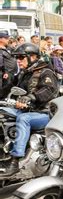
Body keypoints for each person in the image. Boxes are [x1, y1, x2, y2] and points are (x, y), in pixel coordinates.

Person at [0, 43, 58, 176]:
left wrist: (31, 97)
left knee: (23, 119)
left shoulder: (46, 72)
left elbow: (49, 90)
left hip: (43, 113)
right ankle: (4, 150)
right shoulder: (25, 73)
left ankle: (15, 160)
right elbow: (10, 87)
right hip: (25, 110)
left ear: (33, 57)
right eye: (17, 58)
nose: (18, 61)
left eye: (21, 57)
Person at [0, 33, 18, 98]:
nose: (8, 40)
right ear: (1, 39)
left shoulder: (8, 48)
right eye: (6, 38)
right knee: (3, 91)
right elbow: (1, 63)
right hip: (4, 75)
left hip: (11, 74)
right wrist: (5, 71)